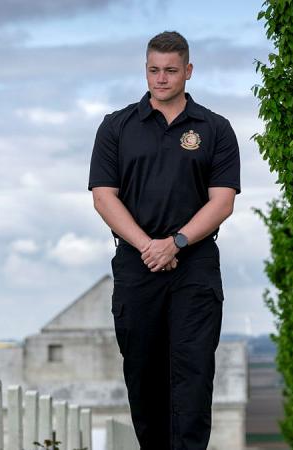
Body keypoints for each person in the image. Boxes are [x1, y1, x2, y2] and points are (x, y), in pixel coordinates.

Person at [87, 30, 241, 449]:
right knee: (143, 372)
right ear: (146, 70)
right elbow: (104, 198)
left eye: (171, 70)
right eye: (154, 70)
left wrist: (175, 242)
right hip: (138, 267)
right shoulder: (116, 127)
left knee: (192, 371)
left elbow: (222, 201)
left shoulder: (215, 129)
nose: (161, 78)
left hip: (195, 265)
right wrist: (148, 247)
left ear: (188, 71)